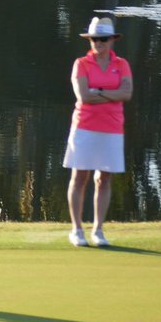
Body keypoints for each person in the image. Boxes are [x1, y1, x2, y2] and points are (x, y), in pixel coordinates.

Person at [63, 17, 132, 248]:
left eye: (103, 39)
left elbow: (127, 93)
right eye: (94, 39)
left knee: (104, 178)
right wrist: (111, 93)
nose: (98, 43)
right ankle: (76, 229)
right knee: (79, 177)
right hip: (84, 126)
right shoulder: (81, 64)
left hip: (112, 128)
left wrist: (98, 91)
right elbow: (83, 96)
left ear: (112, 40)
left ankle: (98, 230)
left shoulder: (121, 64)